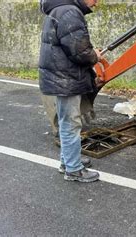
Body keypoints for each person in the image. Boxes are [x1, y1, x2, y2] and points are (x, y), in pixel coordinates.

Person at [39, 0, 101, 182]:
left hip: (60, 76)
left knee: (67, 121)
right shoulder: (69, 12)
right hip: (66, 78)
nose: (96, 2)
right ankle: (74, 170)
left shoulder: (60, 9)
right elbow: (79, 51)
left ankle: (67, 161)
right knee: (71, 124)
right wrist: (94, 55)